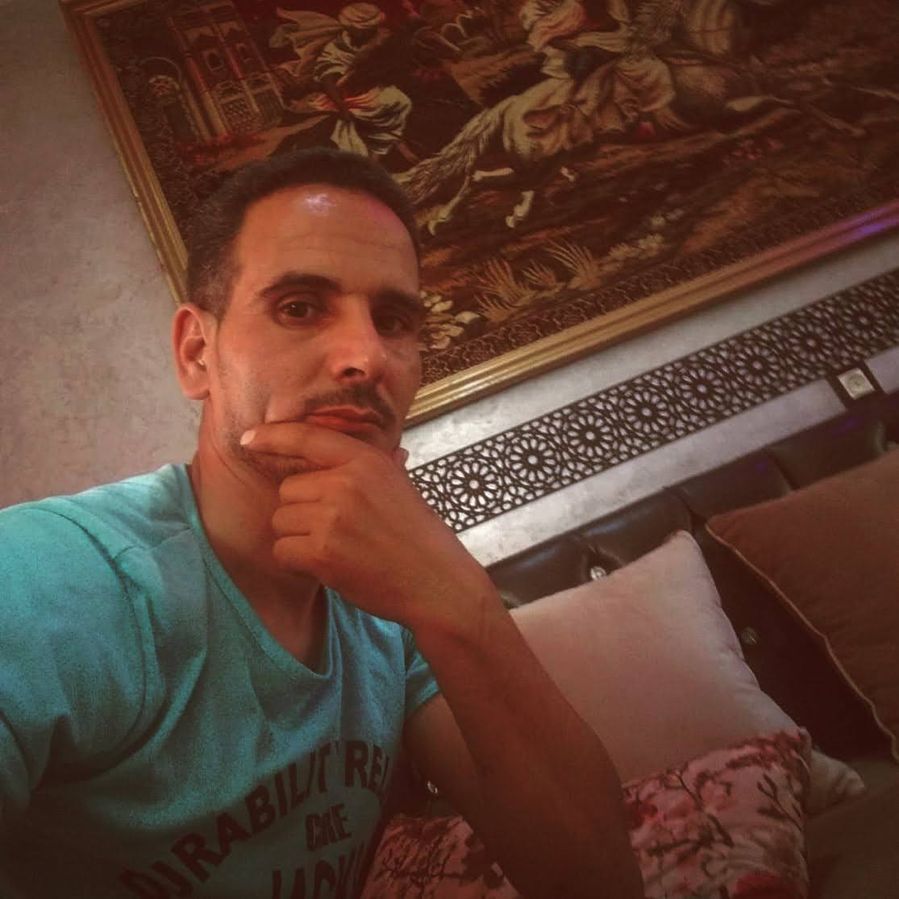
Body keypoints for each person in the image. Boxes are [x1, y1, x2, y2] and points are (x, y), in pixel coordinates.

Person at [0, 147, 641, 898]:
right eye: (299, 307)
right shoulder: (50, 576)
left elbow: (593, 879)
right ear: (197, 352)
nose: (366, 356)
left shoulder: (397, 602)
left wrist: (458, 595)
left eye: (393, 320)